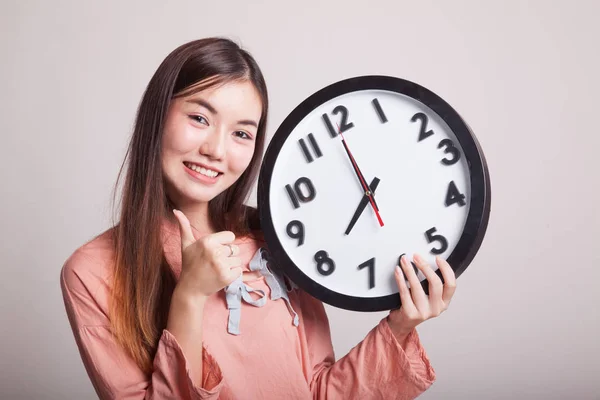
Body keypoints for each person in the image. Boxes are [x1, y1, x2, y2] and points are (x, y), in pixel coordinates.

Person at [60, 37, 457, 400]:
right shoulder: (93, 271)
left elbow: (318, 389)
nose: (216, 149)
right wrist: (190, 296)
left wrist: (400, 326)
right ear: (157, 116)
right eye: (200, 118)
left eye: (242, 134)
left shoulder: (275, 238)